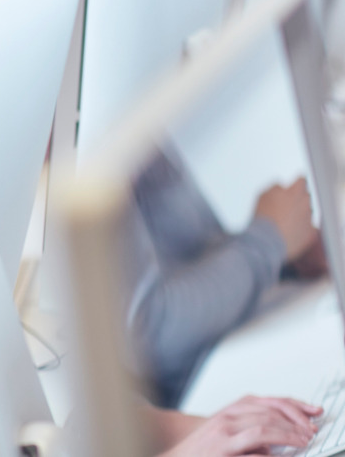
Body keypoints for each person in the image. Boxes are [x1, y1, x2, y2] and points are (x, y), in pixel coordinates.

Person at [127, 150, 326, 406]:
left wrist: (288, 259)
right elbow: (155, 335)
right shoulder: (85, 148)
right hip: (214, 385)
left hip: (253, 338)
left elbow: (199, 255)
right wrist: (270, 240)